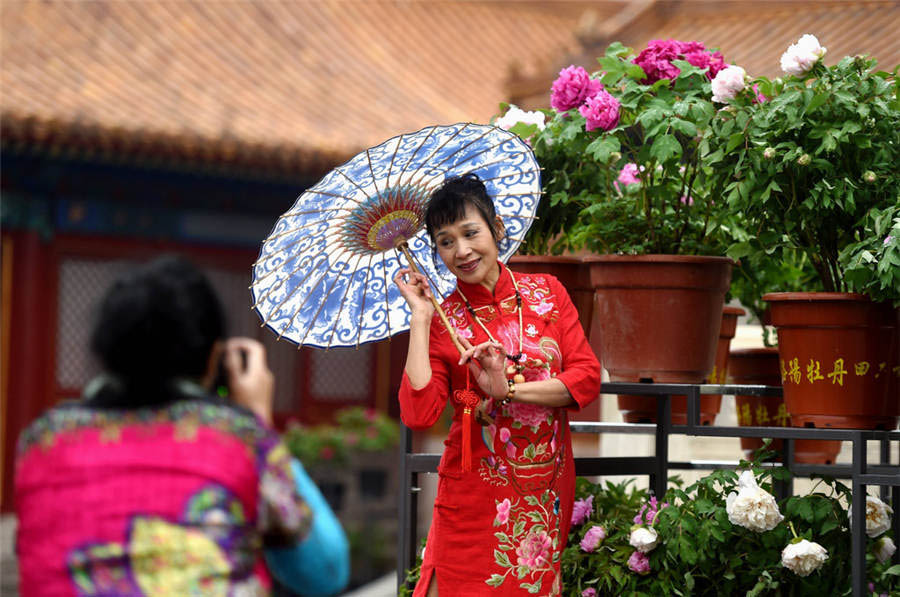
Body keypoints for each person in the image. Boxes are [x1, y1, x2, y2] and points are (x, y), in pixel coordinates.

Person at [15, 256, 348, 597]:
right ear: (212, 358)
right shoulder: (242, 440)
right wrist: (261, 425)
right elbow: (325, 572)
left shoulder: (44, 440)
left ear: (106, 351)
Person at [393, 174, 602, 596]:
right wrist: (420, 318)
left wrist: (507, 390)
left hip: (544, 492)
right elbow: (420, 413)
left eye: (470, 233)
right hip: (473, 491)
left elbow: (585, 377)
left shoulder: (548, 293)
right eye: (445, 241)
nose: (462, 251)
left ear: (497, 229)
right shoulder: (443, 319)